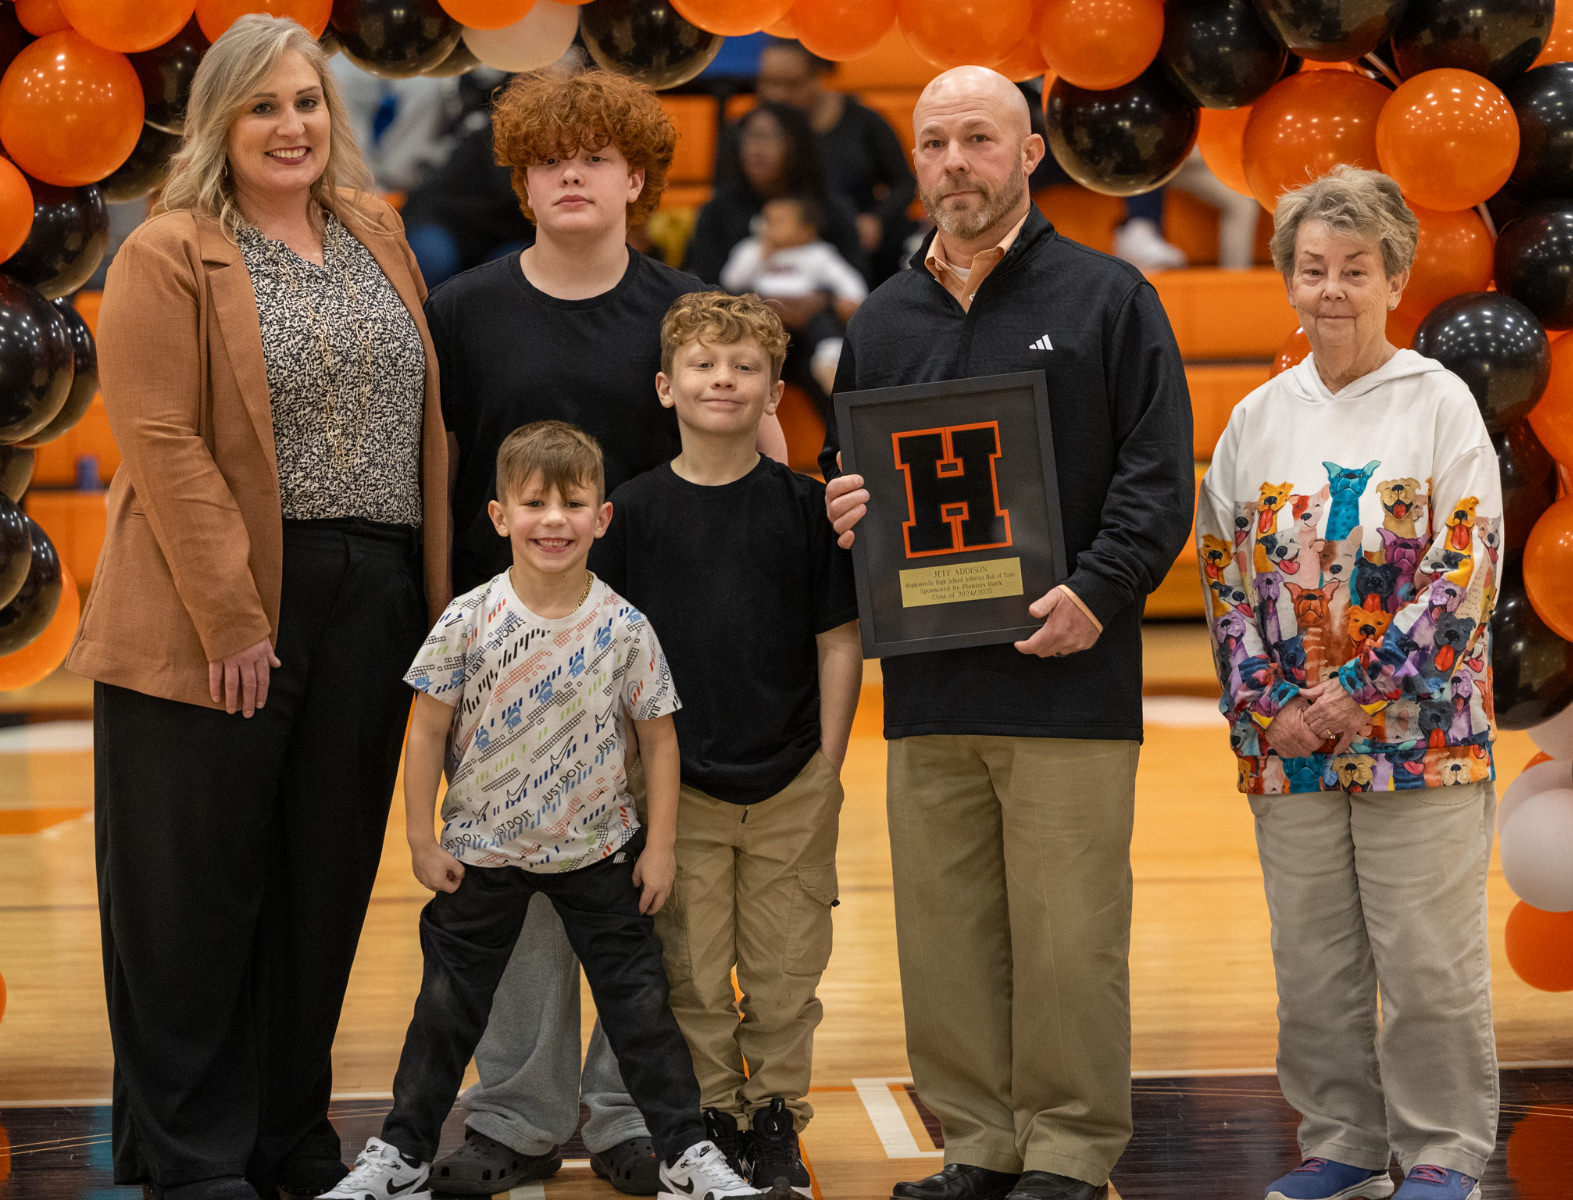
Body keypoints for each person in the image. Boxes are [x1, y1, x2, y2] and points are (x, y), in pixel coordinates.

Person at [66, 15, 450, 1200]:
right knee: (192, 897)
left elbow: (427, 416)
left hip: (375, 596)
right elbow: (164, 438)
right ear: (218, 124)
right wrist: (235, 616)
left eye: (307, 102)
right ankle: (193, 1157)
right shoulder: (171, 249)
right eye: (264, 106)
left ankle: (290, 1139)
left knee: (320, 884)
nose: (292, 126)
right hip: (217, 605)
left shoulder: (376, 229)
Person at [822, 66, 1195, 1200]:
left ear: (1030, 154)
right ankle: (978, 1144)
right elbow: (860, 477)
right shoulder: (881, 320)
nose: (952, 164)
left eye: (978, 139)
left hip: (1067, 681)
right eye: (934, 142)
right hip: (931, 689)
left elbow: (1157, 476)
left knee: (1070, 939)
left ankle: (1072, 1152)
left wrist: (1097, 590)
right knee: (944, 942)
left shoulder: (1107, 298)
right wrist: (844, 508)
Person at [420, 67, 785, 1198]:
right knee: (520, 890)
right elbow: (437, 485)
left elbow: (756, 456)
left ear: (637, 175)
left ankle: (629, 1111)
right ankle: (521, 1113)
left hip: (645, 657)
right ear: (522, 182)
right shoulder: (464, 312)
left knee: (636, 893)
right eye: (546, 159)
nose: (570, 174)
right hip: (508, 660)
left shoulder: (683, 311)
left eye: (594, 157)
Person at [316, 421, 767, 1200]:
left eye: (573, 503)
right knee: (445, 1017)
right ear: (498, 516)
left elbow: (659, 744)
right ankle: (400, 1157)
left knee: (641, 1015)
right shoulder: (466, 619)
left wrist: (658, 848)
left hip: (601, 855)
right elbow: (423, 733)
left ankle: (688, 1155)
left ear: (602, 517)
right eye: (533, 503)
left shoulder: (626, 627)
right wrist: (421, 839)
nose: (553, 520)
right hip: (482, 856)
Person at [1195, 165, 1502, 1200]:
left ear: (1395, 276)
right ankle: (1340, 1141)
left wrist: (1357, 693)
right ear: (1287, 276)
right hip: (1289, 745)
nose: (1331, 288)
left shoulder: (1440, 404)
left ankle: (1441, 1149)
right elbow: (1223, 576)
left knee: (1425, 965)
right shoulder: (1256, 418)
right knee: (1315, 966)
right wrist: (1266, 706)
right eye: (1313, 268)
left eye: (1354, 269)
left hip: (1419, 736)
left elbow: (1463, 571)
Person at [589, 291, 861, 1195]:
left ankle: (775, 1116)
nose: (723, 380)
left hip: (789, 782)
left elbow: (837, 641)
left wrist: (826, 764)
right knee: (694, 972)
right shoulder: (629, 514)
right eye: (704, 365)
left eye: (745, 367)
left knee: (786, 970)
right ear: (667, 387)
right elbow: (612, 659)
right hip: (680, 792)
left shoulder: (806, 510)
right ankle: (709, 1122)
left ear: (776, 391)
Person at [755, 39, 917, 284]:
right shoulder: (751, 131)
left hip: (856, 246)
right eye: (768, 82)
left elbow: (903, 183)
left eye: (791, 84)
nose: (777, 94)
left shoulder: (863, 121)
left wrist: (877, 219)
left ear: (818, 76)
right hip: (780, 246)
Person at [683, 100, 865, 288]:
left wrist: (819, 303)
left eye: (770, 136)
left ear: (797, 144)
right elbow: (701, 284)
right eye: (751, 136)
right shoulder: (717, 210)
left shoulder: (830, 209)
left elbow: (858, 285)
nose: (757, 149)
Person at [720, 194, 867, 398]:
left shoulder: (817, 253)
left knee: (822, 323)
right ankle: (749, 365)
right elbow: (731, 280)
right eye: (766, 219)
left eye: (778, 221)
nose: (768, 226)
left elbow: (847, 279)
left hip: (807, 315)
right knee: (750, 323)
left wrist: (851, 298)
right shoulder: (752, 249)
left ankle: (829, 360)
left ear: (805, 231)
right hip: (767, 313)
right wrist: (761, 253)